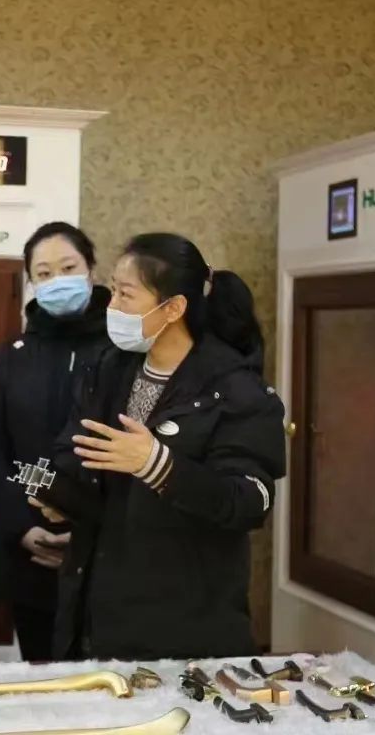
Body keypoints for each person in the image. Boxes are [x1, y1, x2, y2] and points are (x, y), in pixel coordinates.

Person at [34, 232, 286, 661]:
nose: (111, 305)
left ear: (173, 308)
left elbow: (248, 502)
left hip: (187, 621)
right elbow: (73, 450)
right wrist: (61, 494)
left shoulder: (236, 391)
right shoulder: (108, 369)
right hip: (98, 609)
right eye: (112, 289)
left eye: (126, 294)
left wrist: (158, 464)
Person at [0, 222, 111, 661]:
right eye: (45, 273)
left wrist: (86, 531)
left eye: (68, 268)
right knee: (42, 677)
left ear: (91, 270)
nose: (58, 281)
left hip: (107, 558)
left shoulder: (121, 348)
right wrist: (23, 528)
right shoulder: (14, 354)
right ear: (32, 283)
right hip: (30, 557)